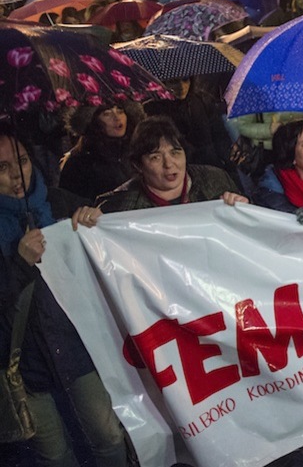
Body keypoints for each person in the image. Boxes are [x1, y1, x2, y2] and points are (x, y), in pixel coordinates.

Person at [0, 122, 129, 467]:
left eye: (22, 161)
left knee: (108, 437)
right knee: (55, 457)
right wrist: (20, 265)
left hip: (77, 347)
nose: (17, 176)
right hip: (24, 367)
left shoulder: (57, 203)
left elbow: (110, 242)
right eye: (3, 167)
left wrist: (95, 220)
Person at [97, 116, 247, 212]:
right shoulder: (120, 206)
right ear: (138, 165)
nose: (169, 164)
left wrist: (244, 206)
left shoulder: (216, 180)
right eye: (156, 157)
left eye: (175, 153)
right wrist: (88, 220)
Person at [59, 101, 144, 202]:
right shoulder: (79, 162)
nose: (117, 118)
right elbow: (70, 203)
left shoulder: (139, 151)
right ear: (93, 121)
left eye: (120, 111)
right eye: (107, 114)